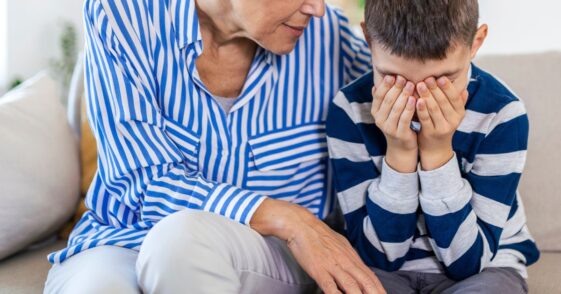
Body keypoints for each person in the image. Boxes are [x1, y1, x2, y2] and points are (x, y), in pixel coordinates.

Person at [44, 0, 387, 293]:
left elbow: (409, 81)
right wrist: (291, 220)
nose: (317, 7)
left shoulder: (328, 35)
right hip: (121, 239)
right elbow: (140, 181)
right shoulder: (124, 14)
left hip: (269, 252)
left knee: (179, 243)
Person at [326, 0, 540, 293]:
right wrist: (399, 153)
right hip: (382, 269)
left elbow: (468, 262)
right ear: (368, 39)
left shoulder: (501, 114)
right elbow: (378, 255)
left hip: (485, 269)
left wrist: (437, 152)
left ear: (475, 42)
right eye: (393, 78)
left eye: (442, 80)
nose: (417, 102)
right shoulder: (349, 110)